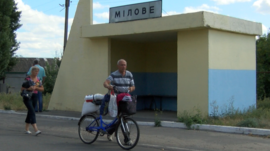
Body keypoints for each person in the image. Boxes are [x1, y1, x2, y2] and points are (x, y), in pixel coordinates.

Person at [103, 59, 135, 141]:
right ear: (118, 66)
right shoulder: (114, 74)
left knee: (122, 118)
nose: (123, 66)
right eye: (121, 65)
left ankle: (109, 131)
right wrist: (109, 86)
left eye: (124, 65)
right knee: (122, 118)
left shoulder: (129, 74)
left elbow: (133, 86)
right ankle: (127, 139)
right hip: (116, 99)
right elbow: (105, 83)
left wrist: (130, 88)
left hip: (126, 99)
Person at [21, 66, 44, 135]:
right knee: (32, 111)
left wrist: (36, 87)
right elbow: (22, 88)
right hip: (27, 96)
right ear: (32, 71)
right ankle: (36, 129)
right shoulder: (27, 79)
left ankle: (27, 129)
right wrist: (29, 88)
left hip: (34, 96)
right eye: (35, 71)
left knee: (30, 111)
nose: (36, 73)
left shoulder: (38, 79)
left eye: (37, 72)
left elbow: (42, 89)